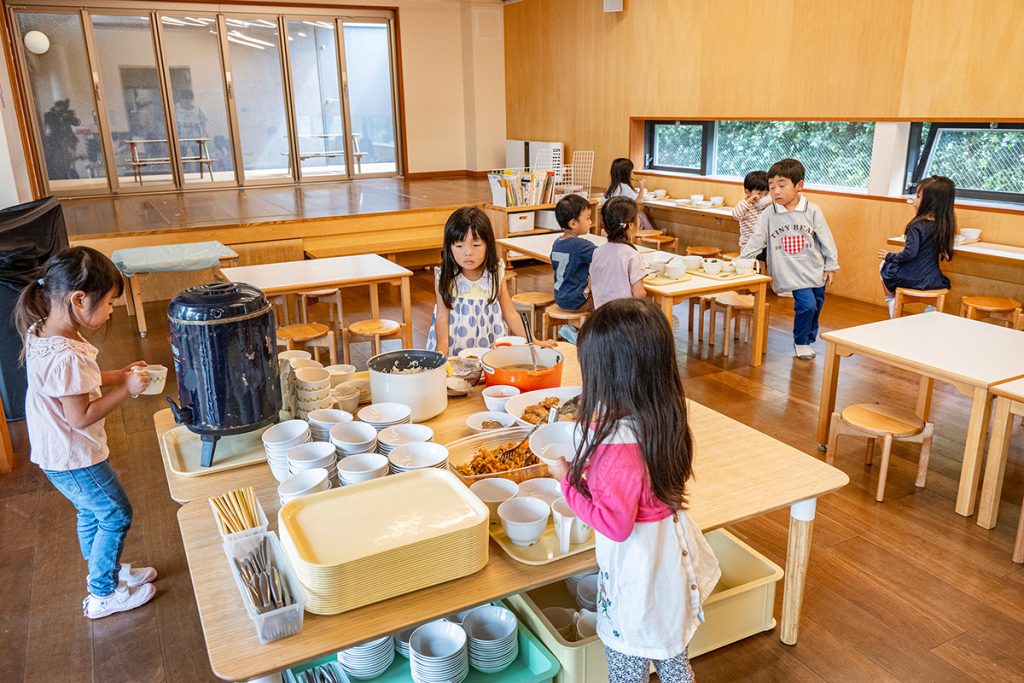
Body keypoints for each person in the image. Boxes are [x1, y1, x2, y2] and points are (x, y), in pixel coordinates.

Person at [547, 298, 721, 683]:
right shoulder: (663, 421)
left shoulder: (615, 453)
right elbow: (635, 484)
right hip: (670, 566)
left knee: (628, 669)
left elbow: (615, 525)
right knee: (673, 657)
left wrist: (567, 482)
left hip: (639, 577)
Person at [15, 246, 157, 619]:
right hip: (74, 455)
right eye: (109, 302)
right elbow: (80, 416)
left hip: (56, 454)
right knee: (115, 514)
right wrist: (125, 390)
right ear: (79, 299)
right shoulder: (67, 354)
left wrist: (121, 374)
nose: (112, 311)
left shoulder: (42, 332)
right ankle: (102, 593)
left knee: (91, 512)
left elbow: (78, 384)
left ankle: (104, 571)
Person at [739, 158, 839, 361]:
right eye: (771, 186)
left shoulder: (812, 210)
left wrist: (831, 265)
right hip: (790, 271)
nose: (776, 191)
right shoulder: (769, 213)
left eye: (782, 185)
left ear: (799, 185)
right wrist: (741, 260)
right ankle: (801, 341)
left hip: (815, 268)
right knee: (807, 305)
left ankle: (808, 338)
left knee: (817, 304)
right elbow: (756, 240)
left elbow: (826, 239)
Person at [426, 207, 531, 355]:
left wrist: (532, 341)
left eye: (476, 245)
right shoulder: (444, 276)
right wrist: (442, 350)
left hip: (489, 342)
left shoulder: (495, 272)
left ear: (488, 244)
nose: (468, 252)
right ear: (449, 247)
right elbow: (442, 317)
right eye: (459, 245)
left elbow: (510, 314)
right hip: (454, 346)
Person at [878, 176, 957, 317]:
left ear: (930, 202)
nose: (914, 200)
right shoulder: (944, 224)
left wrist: (889, 256)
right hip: (933, 279)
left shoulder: (917, 225)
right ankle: (930, 309)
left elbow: (910, 253)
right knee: (890, 264)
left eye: (918, 196)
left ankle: (892, 305)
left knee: (883, 265)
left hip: (913, 278)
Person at [590, 197, 647, 309]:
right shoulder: (632, 255)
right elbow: (639, 293)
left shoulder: (597, 252)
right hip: (624, 318)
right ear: (630, 224)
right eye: (638, 217)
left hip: (601, 315)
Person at [551, 194, 596, 312]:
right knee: (605, 297)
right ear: (573, 223)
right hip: (577, 301)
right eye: (587, 218)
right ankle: (575, 327)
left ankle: (572, 326)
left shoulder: (557, 242)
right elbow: (603, 256)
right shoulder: (581, 245)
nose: (590, 222)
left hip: (560, 298)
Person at [603, 157, 654, 231]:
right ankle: (651, 234)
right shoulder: (624, 187)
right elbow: (639, 201)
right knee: (641, 214)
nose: (632, 173)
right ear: (626, 174)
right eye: (631, 171)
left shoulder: (611, 186)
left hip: (611, 218)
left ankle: (651, 233)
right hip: (622, 218)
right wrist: (642, 187)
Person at [732, 170, 771, 253]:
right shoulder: (746, 205)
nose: (763, 197)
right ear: (747, 192)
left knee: (763, 265)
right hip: (748, 246)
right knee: (750, 266)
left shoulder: (767, 205)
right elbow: (736, 215)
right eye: (759, 193)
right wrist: (749, 200)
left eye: (766, 193)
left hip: (764, 245)